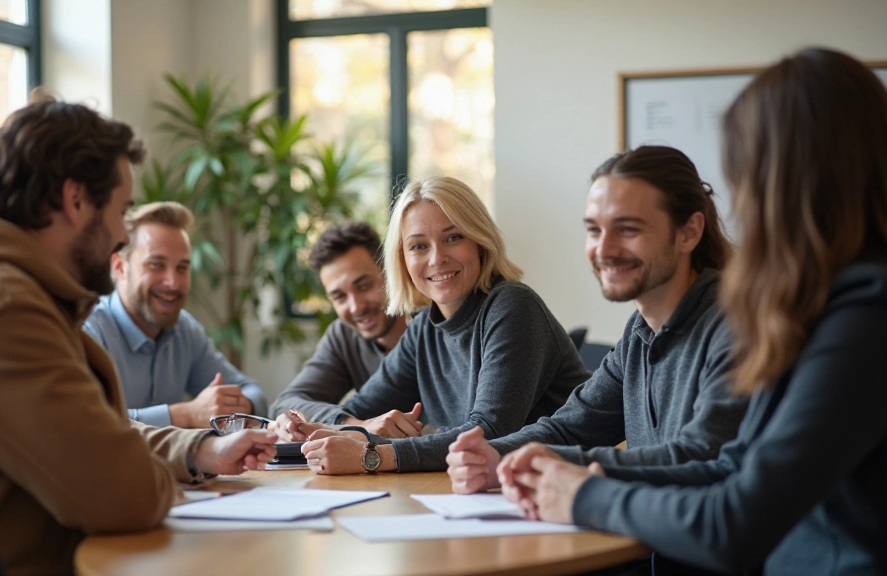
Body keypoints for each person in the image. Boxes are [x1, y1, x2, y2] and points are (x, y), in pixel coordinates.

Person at [500, 47, 887, 575]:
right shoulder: (824, 306)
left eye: (747, 173)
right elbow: (730, 467)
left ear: (793, 180)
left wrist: (583, 494)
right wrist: (560, 470)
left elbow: (733, 521)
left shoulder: (864, 316)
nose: (744, 200)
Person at [0, 96, 277, 576]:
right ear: (75, 198)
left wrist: (198, 449)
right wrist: (160, 470)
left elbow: (88, 434)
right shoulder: (1, 306)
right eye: (122, 211)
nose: (123, 234)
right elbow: (123, 494)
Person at [446, 146, 749, 494]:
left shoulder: (736, 327)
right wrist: (490, 456)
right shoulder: (640, 333)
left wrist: (540, 462)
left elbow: (698, 458)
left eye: (628, 229)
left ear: (689, 232)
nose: (604, 250)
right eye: (594, 230)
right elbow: (569, 428)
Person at [297, 176, 591, 474]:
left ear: (479, 240)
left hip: (565, 486)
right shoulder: (424, 328)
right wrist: (309, 427)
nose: (437, 259)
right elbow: (360, 410)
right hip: (487, 488)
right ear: (402, 259)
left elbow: (488, 432)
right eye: (419, 246)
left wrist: (370, 455)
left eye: (453, 238)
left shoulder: (513, 307)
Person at [83, 201, 268, 428]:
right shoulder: (88, 330)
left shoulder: (184, 331)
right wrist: (184, 415)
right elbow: (87, 421)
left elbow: (254, 393)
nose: (173, 283)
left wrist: (236, 407)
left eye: (182, 268)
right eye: (156, 265)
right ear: (120, 267)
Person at [268, 222, 414, 437]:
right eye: (340, 297)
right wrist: (351, 424)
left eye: (364, 286)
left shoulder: (432, 326)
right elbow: (285, 403)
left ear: (390, 271)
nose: (356, 307)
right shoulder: (344, 336)